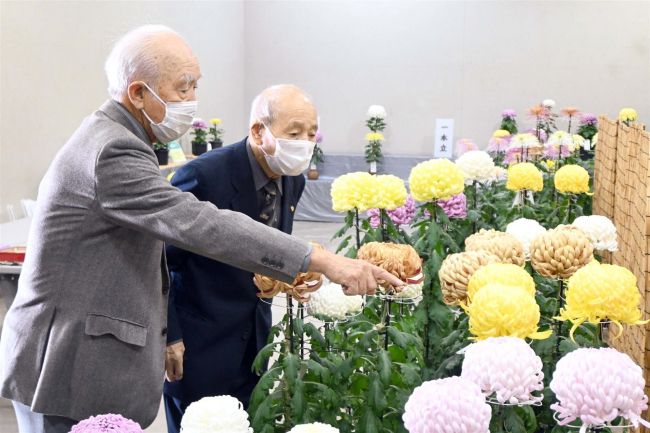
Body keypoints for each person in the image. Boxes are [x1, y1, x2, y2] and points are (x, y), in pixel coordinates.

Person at [0, 25, 402, 433]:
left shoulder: (118, 137)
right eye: (182, 88)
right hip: (68, 363)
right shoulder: (113, 150)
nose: (192, 101)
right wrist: (321, 259)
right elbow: (202, 224)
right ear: (138, 93)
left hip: (85, 355)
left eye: (195, 86)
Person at [162, 84, 317, 432]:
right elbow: (160, 263)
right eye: (294, 133)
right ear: (258, 131)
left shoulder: (293, 179)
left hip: (253, 343)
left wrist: (290, 275)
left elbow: (267, 247)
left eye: (311, 133)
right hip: (199, 344)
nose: (305, 143)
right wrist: (169, 335)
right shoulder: (205, 176)